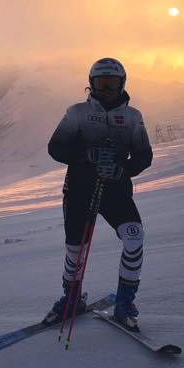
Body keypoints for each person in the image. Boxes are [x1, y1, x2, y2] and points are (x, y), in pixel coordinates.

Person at [44, 58, 153, 331]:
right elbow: (56, 147)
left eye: (111, 85)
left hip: (115, 190)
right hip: (80, 189)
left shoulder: (132, 117)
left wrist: (122, 170)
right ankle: (70, 299)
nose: (106, 91)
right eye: (100, 84)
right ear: (90, 84)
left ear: (122, 85)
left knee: (134, 237)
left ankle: (125, 304)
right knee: (75, 249)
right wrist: (86, 156)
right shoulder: (77, 112)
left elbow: (143, 156)